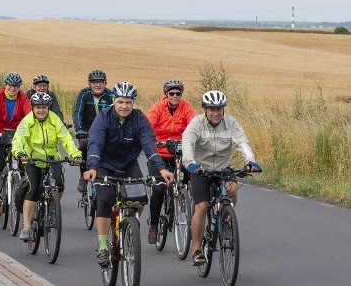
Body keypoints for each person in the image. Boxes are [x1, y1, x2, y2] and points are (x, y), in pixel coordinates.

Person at [81, 82, 173, 267]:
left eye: (128, 102)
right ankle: (103, 246)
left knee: (138, 198)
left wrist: (161, 168)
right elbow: (95, 143)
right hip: (104, 165)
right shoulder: (103, 118)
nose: (124, 106)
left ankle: (130, 223)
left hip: (128, 164)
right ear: (114, 102)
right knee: (106, 199)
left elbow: (148, 144)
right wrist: (92, 167)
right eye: (121, 102)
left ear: (133, 103)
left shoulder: (139, 119)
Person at [182, 90, 261, 266]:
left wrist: (251, 161)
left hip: (223, 168)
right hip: (200, 169)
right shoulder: (197, 123)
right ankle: (196, 250)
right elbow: (187, 142)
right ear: (205, 109)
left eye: (219, 109)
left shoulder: (230, 122)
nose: (216, 113)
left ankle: (226, 217)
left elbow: (241, 142)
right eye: (212, 109)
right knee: (201, 207)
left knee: (232, 189)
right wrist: (190, 163)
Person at [11, 92, 82, 242]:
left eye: (44, 107)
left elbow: (66, 139)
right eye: (38, 107)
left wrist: (75, 154)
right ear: (33, 108)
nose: (41, 110)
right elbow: (18, 139)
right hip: (32, 159)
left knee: (60, 185)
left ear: (48, 108)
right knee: (33, 188)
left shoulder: (54, 120)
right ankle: (27, 227)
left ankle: (52, 210)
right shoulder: (27, 121)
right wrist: (20, 153)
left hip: (52, 159)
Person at [144, 79, 195, 244]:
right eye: (171, 93)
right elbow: (147, 127)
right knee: (158, 189)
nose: (175, 96)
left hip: (179, 152)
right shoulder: (157, 108)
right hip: (159, 153)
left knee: (191, 180)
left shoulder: (185, 107)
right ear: (165, 94)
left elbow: (193, 125)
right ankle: (154, 226)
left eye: (178, 93)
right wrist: (154, 141)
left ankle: (184, 204)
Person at [0, 72, 30, 218]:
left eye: (16, 86)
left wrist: (31, 128)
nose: (13, 88)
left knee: (25, 166)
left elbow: (29, 115)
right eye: (11, 85)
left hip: (16, 137)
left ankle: (24, 201)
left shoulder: (23, 97)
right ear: (5, 85)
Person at [72, 69, 114, 194]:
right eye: (94, 82)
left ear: (105, 84)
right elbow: (77, 112)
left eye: (101, 82)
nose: (97, 85)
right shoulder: (84, 94)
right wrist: (79, 130)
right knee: (84, 149)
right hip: (87, 131)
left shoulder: (110, 95)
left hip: (105, 132)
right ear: (89, 84)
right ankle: (83, 177)